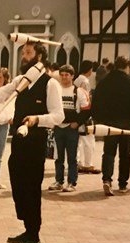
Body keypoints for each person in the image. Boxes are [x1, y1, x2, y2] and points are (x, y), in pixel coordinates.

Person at [0, 41, 65, 243]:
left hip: (36, 140)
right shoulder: (20, 80)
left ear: (39, 57)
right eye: (23, 53)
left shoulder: (50, 84)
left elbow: (59, 116)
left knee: (31, 187)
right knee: (18, 182)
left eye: (28, 53)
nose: (23, 57)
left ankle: (34, 235)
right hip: (19, 139)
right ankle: (28, 228)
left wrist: (37, 119)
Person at [91, 56, 130, 196]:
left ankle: (107, 179)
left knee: (108, 152)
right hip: (127, 123)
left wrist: (99, 119)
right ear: (127, 67)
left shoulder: (105, 82)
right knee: (125, 154)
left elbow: (96, 101)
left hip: (109, 123)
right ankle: (122, 183)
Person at [49, 64, 91, 192]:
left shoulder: (79, 92)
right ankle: (59, 181)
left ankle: (72, 182)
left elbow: (86, 110)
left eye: (67, 75)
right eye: (62, 75)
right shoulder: (56, 91)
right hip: (59, 127)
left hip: (71, 128)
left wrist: (77, 123)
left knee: (72, 157)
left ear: (72, 76)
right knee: (58, 157)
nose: (64, 77)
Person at [74, 60, 100, 175]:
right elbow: (86, 98)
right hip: (84, 111)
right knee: (89, 140)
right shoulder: (85, 81)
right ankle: (88, 163)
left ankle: (77, 162)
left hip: (76, 112)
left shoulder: (76, 79)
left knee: (78, 141)